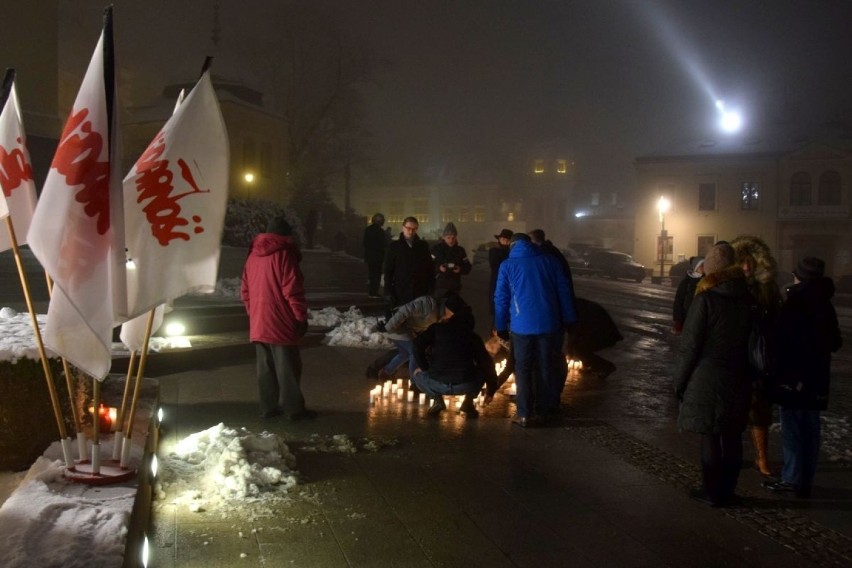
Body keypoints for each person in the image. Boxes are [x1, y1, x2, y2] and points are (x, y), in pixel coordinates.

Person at [673, 242, 752, 507]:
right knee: (732, 435)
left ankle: (711, 491)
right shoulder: (748, 298)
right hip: (740, 375)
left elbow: (690, 345)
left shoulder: (706, 299)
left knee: (710, 434)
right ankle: (727, 490)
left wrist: (679, 382)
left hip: (708, 374)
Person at [763, 257, 842, 498]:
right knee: (810, 430)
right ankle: (805, 479)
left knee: (793, 431)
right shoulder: (825, 303)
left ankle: (791, 478)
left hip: (793, 377)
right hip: (817, 378)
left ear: (800, 276)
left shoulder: (796, 302)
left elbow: (780, 340)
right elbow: (835, 341)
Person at [494, 233, 577, 427]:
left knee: (522, 368)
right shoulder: (550, 261)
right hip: (550, 324)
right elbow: (563, 291)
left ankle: (524, 413)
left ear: (513, 246)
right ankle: (545, 409)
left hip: (521, 326)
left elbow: (501, 299)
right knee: (546, 366)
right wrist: (570, 318)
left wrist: (500, 326)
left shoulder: (507, 265)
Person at [240, 216, 315, 421]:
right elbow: (292, 291)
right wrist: (300, 318)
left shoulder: (252, 256)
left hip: (259, 322)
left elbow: (245, 291)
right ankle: (294, 410)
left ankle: (268, 408)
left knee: (265, 369)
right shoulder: (284, 255)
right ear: (286, 235)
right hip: (281, 322)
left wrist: (253, 313)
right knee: (288, 369)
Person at [732, 235, 783, 477]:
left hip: (759, 356)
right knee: (732, 410)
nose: (746, 267)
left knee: (760, 408)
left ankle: (762, 457)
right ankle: (732, 456)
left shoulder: (767, 289)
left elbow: (777, 320)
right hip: (734, 355)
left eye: (750, 262)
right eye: (742, 262)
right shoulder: (730, 287)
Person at [412, 295, 498, 418]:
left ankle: (437, 401)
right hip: (466, 384)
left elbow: (417, 344)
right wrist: (491, 389)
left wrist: (424, 367)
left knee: (417, 375)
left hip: (437, 383)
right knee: (481, 372)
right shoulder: (473, 337)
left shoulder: (437, 329)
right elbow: (487, 364)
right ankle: (468, 402)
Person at [377, 292, 455, 380]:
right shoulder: (429, 305)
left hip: (407, 331)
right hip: (397, 326)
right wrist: (388, 327)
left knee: (405, 353)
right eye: (451, 313)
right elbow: (405, 310)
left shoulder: (441, 317)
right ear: (447, 308)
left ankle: (386, 372)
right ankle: (415, 381)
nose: (451, 317)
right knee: (414, 351)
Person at [383, 216, 434, 308]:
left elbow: (429, 268)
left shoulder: (423, 246)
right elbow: (388, 270)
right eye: (408, 228)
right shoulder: (394, 246)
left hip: (420, 289)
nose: (411, 231)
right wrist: (387, 291)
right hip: (401, 289)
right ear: (403, 227)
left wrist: (430, 288)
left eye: (414, 229)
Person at [431, 222, 472, 297]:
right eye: (448, 238)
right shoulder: (436, 249)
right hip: (439, 286)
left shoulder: (460, 250)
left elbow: (468, 267)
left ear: (456, 237)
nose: (451, 240)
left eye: (453, 237)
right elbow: (428, 265)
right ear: (443, 237)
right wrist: (439, 268)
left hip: (454, 286)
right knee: (439, 307)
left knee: (453, 308)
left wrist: (460, 269)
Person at [672, 256, 704, 334]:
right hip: (687, 317)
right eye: (702, 265)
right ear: (696, 267)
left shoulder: (707, 281)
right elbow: (679, 301)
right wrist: (678, 320)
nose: (704, 268)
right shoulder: (686, 283)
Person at [488, 228, 513, 320]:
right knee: (497, 308)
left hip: (510, 283)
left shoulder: (513, 252)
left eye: (507, 240)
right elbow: (494, 263)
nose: (505, 242)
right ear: (499, 239)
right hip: (497, 282)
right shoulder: (494, 251)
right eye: (503, 239)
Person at [363, 213, 387, 298]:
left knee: (372, 273)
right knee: (377, 274)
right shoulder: (380, 231)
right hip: (378, 256)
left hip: (370, 256)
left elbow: (364, 243)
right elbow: (384, 244)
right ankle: (374, 291)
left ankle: (371, 291)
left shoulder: (368, 229)